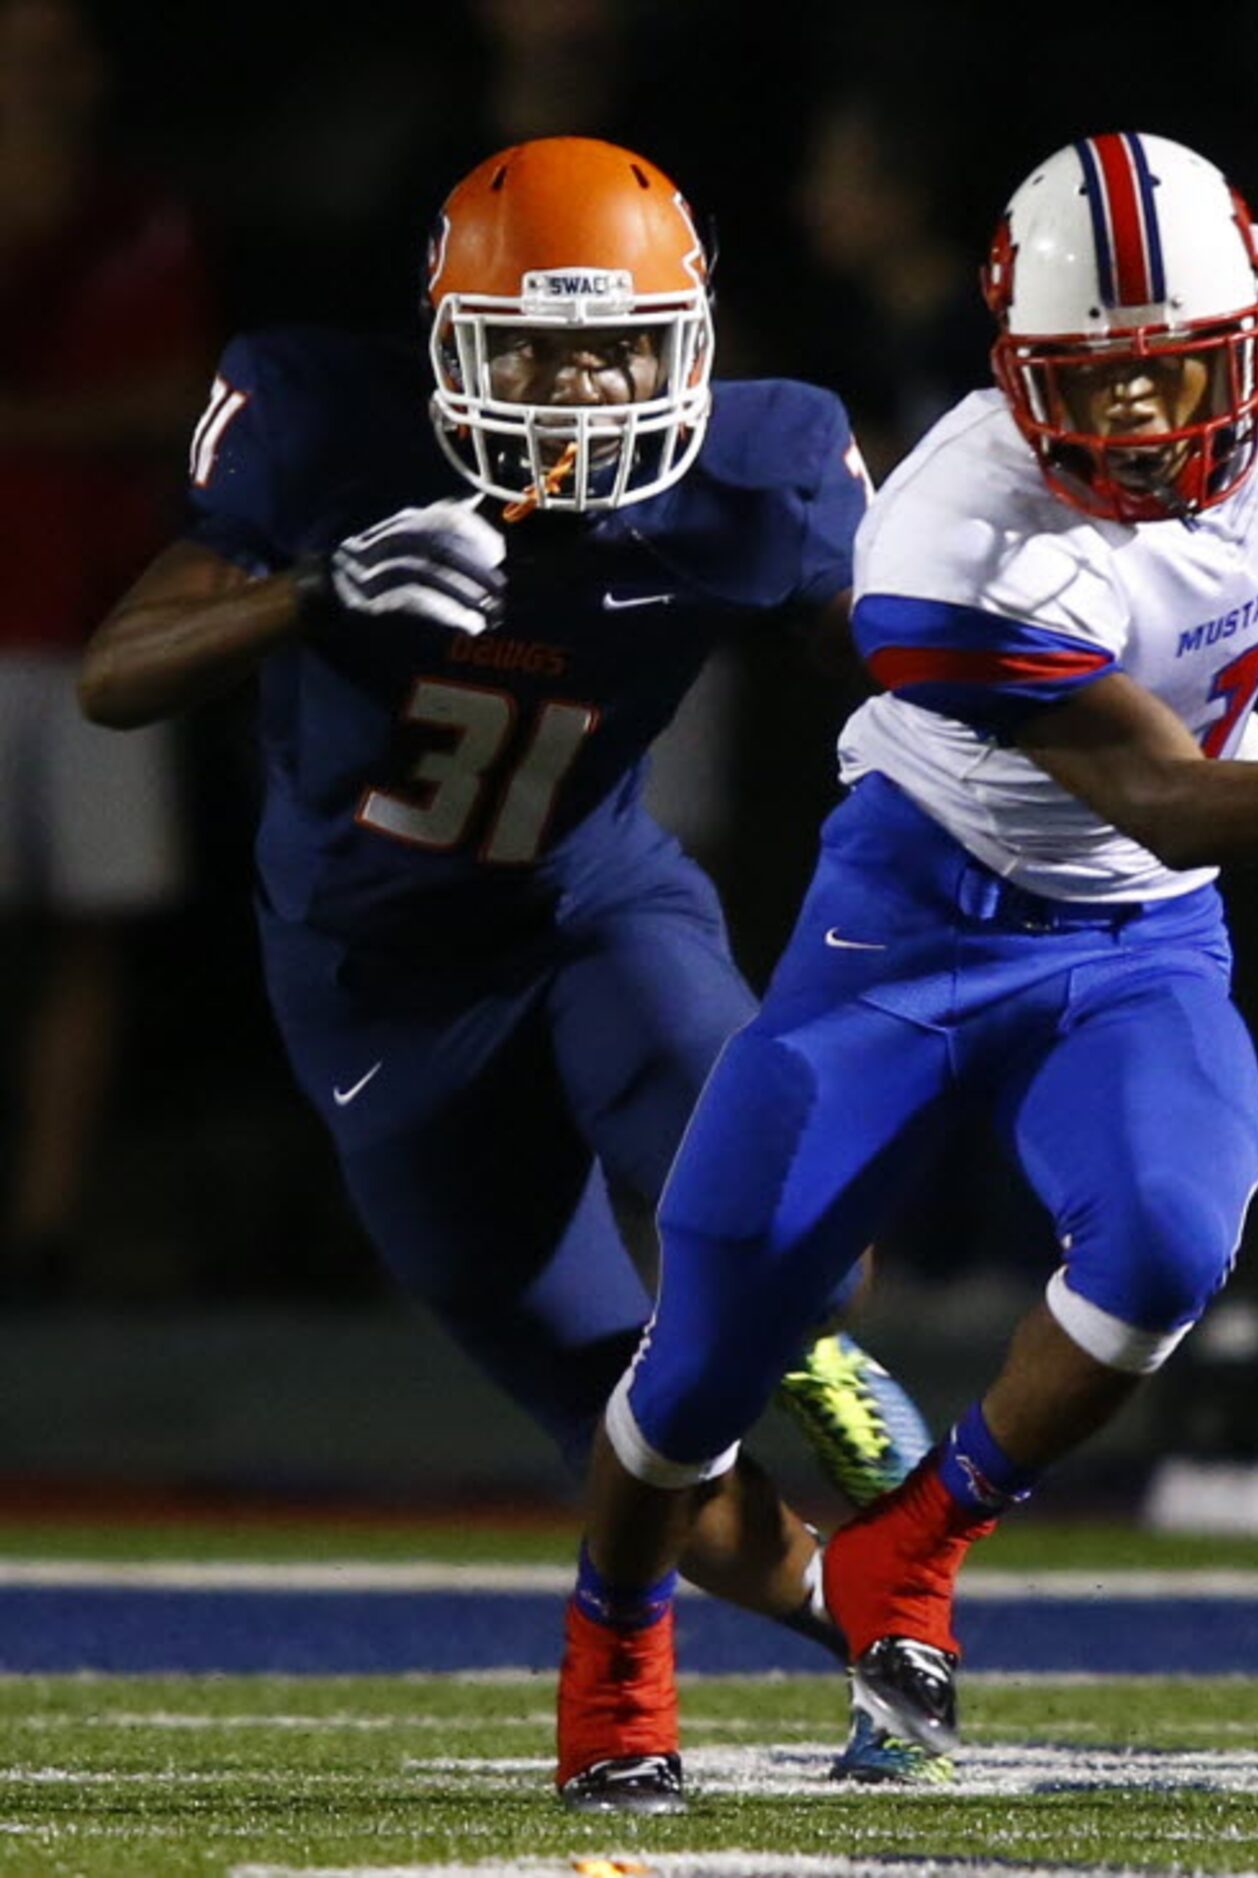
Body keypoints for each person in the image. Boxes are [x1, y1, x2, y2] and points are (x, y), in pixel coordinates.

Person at [552, 128, 1258, 1813]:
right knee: (715, 1330)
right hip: (914, 917)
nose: (1137, 421)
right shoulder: (949, 548)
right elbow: (1161, 778)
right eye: (1091, 387)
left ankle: (910, 1550)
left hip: (1141, 927)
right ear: (1011, 373)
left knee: (1166, 1243)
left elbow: (1215, 752)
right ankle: (615, 1638)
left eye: (1173, 376)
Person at [76, 133, 929, 1663]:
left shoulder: (760, 467)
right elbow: (114, 676)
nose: (584, 388)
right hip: (378, 985)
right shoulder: (327, 428)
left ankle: (801, 1331)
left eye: (619, 349)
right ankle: (868, 1626)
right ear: (452, 340)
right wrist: (317, 588)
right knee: (618, 1414)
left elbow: (904, 659)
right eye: (539, 346)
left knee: (800, 1215)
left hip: (592, 909)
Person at [0, 0, 214, 1300]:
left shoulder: (146, 217)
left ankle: (45, 1227)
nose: (40, 74)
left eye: (59, 49)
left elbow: (180, 393)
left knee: (91, 932)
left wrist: (27, 419)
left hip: (100, 619)